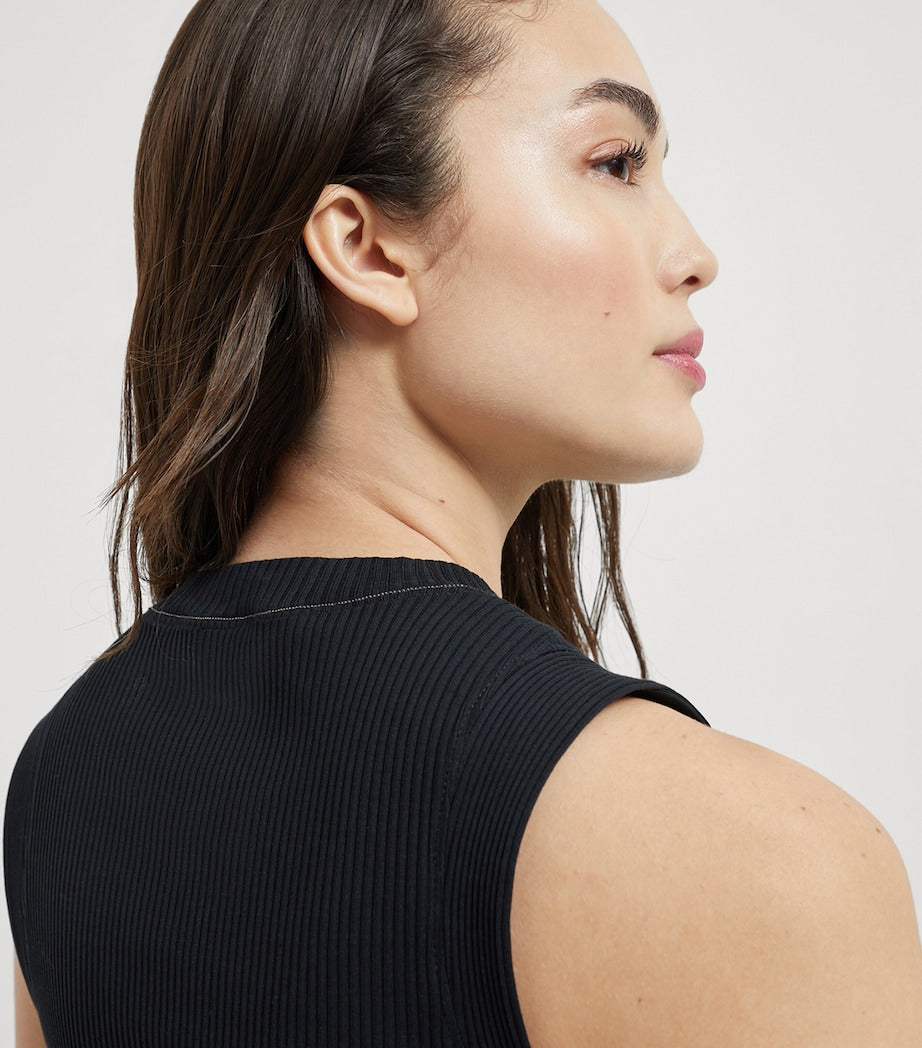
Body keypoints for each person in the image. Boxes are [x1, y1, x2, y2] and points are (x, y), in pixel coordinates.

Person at [5, 0, 922, 1043]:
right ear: (368, 248)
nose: (695, 253)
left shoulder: (64, 784)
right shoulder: (759, 859)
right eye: (615, 162)